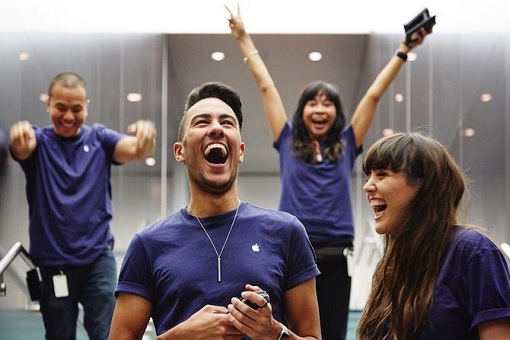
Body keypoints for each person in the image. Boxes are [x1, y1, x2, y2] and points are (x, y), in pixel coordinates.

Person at [226, 5, 432, 339]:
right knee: (289, 330)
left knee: (333, 331)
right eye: (313, 102)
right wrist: (243, 38)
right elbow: (266, 88)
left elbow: (374, 94)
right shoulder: (288, 140)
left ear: (336, 113)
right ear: (302, 111)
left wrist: (404, 49)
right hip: (294, 249)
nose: (320, 109)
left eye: (328, 103)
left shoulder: (347, 144)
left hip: (336, 255)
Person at [108, 82, 321, 340]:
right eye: (201, 122)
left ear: (240, 152)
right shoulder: (148, 244)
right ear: (180, 152)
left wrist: (274, 332)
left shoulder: (287, 232)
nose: (217, 128)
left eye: (227, 123)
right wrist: (180, 337)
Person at [9, 71, 157, 340]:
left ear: (87, 106)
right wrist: (19, 140)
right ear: (48, 105)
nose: (68, 116)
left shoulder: (99, 139)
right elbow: (21, 149)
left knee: (107, 333)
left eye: (76, 109)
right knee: (59, 335)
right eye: (60, 108)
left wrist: (145, 137)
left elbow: (137, 150)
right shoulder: (38, 142)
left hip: (96, 259)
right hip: (53, 264)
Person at [357, 131, 510, 339]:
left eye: (382, 174)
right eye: (369, 176)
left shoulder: (473, 251)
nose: (367, 186)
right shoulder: (392, 265)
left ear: (425, 185)